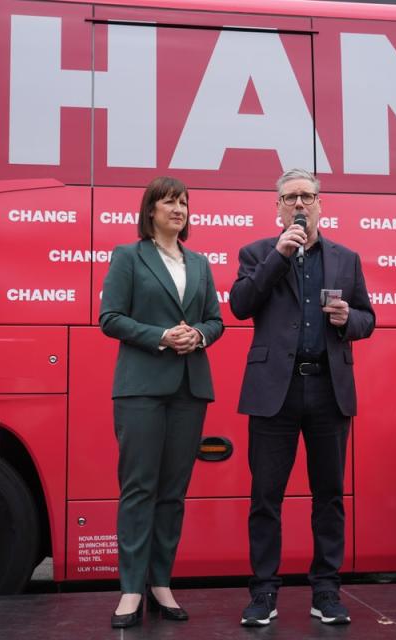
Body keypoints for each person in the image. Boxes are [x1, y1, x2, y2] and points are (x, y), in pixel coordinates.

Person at [231, 168, 375, 627]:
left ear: (320, 204)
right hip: (275, 389)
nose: (299, 203)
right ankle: (263, 592)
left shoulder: (346, 258)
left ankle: (327, 590)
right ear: (277, 207)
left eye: (307, 196)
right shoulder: (257, 252)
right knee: (265, 496)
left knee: (329, 494)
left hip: (328, 389)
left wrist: (346, 317)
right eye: (290, 196)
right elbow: (240, 304)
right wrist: (279, 254)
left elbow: (368, 320)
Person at [100, 177, 224, 629]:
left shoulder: (201, 263)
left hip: (190, 388)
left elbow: (216, 320)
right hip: (141, 389)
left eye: (185, 202)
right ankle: (131, 589)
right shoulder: (128, 257)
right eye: (170, 201)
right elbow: (109, 318)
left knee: (172, 493)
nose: (179, 208)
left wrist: (200, 334)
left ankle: (160, 583)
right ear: (150, 210)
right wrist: (161, 336)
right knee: (139, 489)